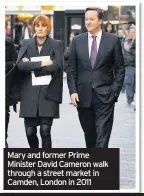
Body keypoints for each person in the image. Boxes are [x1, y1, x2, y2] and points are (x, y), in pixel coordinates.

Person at [67, 7, 125, 148]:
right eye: (86, 19)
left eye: (91, 19)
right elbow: (71, 69)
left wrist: (115, 90)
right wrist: (73, 91)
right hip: (83, 96)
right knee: (90, 136)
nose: (88, 22)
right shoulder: (77, 41)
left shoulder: (112, 40)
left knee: (102, 137)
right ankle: (94, 165)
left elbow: (120, 68)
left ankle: (101, 166)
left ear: (100, 21)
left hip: (105, 96)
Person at [17, 15, 63, 148]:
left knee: (45, 130)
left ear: (48, 28)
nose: (40, 29)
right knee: (30, 132)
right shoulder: (26, 44)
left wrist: (31, 64)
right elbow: (21, 66)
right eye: (37, 26)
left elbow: (57, 66)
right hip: (29, 95)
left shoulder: (56, 44)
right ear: (33, 28)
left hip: (48, 94)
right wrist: (42, 63)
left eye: (43, 26)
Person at [5, 36, 18, 148]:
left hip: (4, 86)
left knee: (4, 113)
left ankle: (3, 138)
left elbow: (15, 62)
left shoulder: (8, 42)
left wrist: (5, 65)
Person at [121, 26, 136, 107]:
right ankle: (130, 100)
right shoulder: (126, 41)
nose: (133, 33)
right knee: (130, 83)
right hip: (129, 65)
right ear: (129, 32)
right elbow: (128, 49)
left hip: (137, 65)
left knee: (135, 84)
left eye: (135, 32)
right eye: (132, 32)